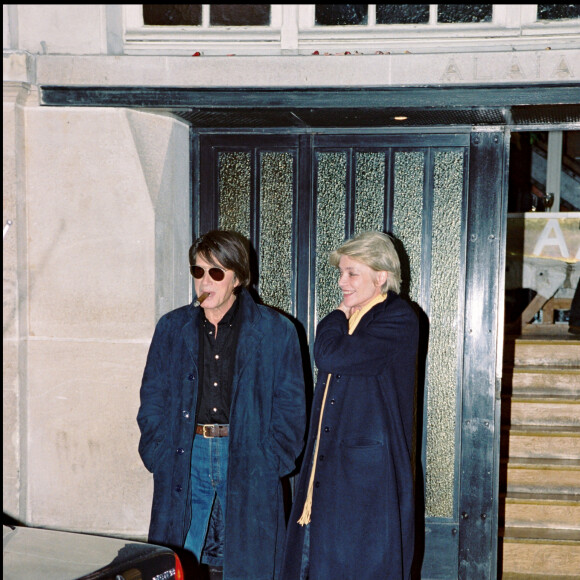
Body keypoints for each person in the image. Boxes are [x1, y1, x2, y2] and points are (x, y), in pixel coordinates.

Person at [137, 230, 307, 579]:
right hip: (187, 452)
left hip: (247, 454)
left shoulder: (277, 331)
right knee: (178, 559)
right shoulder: (172, 328)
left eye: (216, 272)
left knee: (250, 562)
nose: (205, 281)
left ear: (238, 278)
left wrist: (272, 459)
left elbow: (292, 406)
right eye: (198, 271)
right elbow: (152, 396)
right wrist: (158, 452)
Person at [281, 231, 419, 580]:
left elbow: (330, 355)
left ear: (382, 276)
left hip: (367, 480)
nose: (342, 282)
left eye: (352, 273)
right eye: (341, 273)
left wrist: (336, 316)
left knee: (358, 566)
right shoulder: (356, 319)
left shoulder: (398, 318)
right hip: (331, 471)